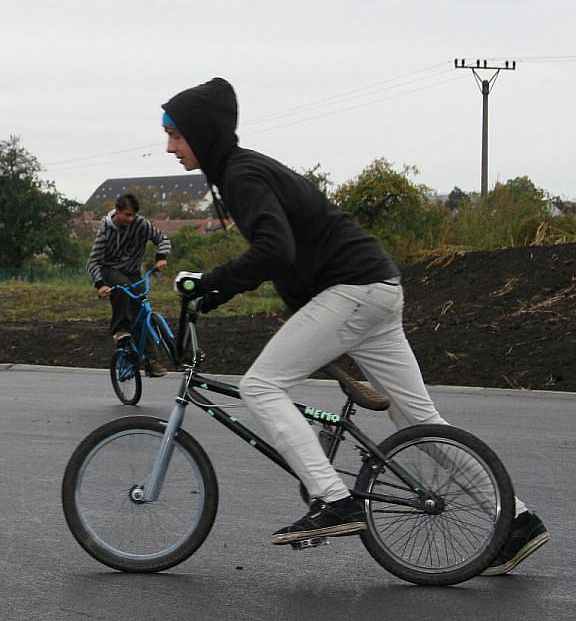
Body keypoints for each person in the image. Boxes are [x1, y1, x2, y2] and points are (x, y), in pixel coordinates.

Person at [161, 77, 549, 575]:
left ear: (201, 131)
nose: (170, 147)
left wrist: (211, 281)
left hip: (352, 291)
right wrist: (217, 291)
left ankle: (334, 500)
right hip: (378, 287)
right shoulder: (241, 170)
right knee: (420, 424)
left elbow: (275, 250)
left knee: (260, 386)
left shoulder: (241, 175)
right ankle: (516, 522)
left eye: (176, 134)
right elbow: (281, 253)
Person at [86, 193, 172, 377]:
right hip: (110, 270)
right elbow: (93, 262)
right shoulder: (105, 231)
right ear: (117, 212)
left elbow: (162, 239)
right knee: (123, 287)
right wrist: (100, 285)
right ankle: (120, 330)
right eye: (127, 214)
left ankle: (151, 361)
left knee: (142, 312)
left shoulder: (141, 224)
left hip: (133, 272)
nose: (130, 219)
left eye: (133, 215)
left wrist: (161, 257)